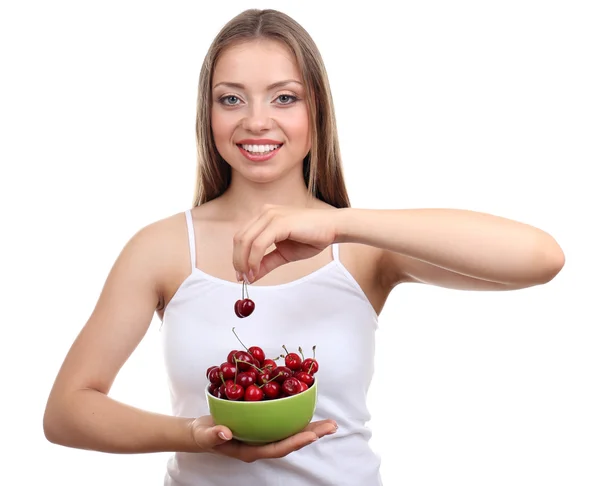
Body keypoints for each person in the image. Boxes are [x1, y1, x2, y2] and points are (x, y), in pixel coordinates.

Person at [43, 8, 565, 486]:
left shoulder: (361, 247)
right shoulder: (160, 247)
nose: (256, 120)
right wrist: (198, 435)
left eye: (284, 97)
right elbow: (67, 410)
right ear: (208, 114)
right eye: (231, 98)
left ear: (317, 110)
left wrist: (339, 225)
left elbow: (541, 258)